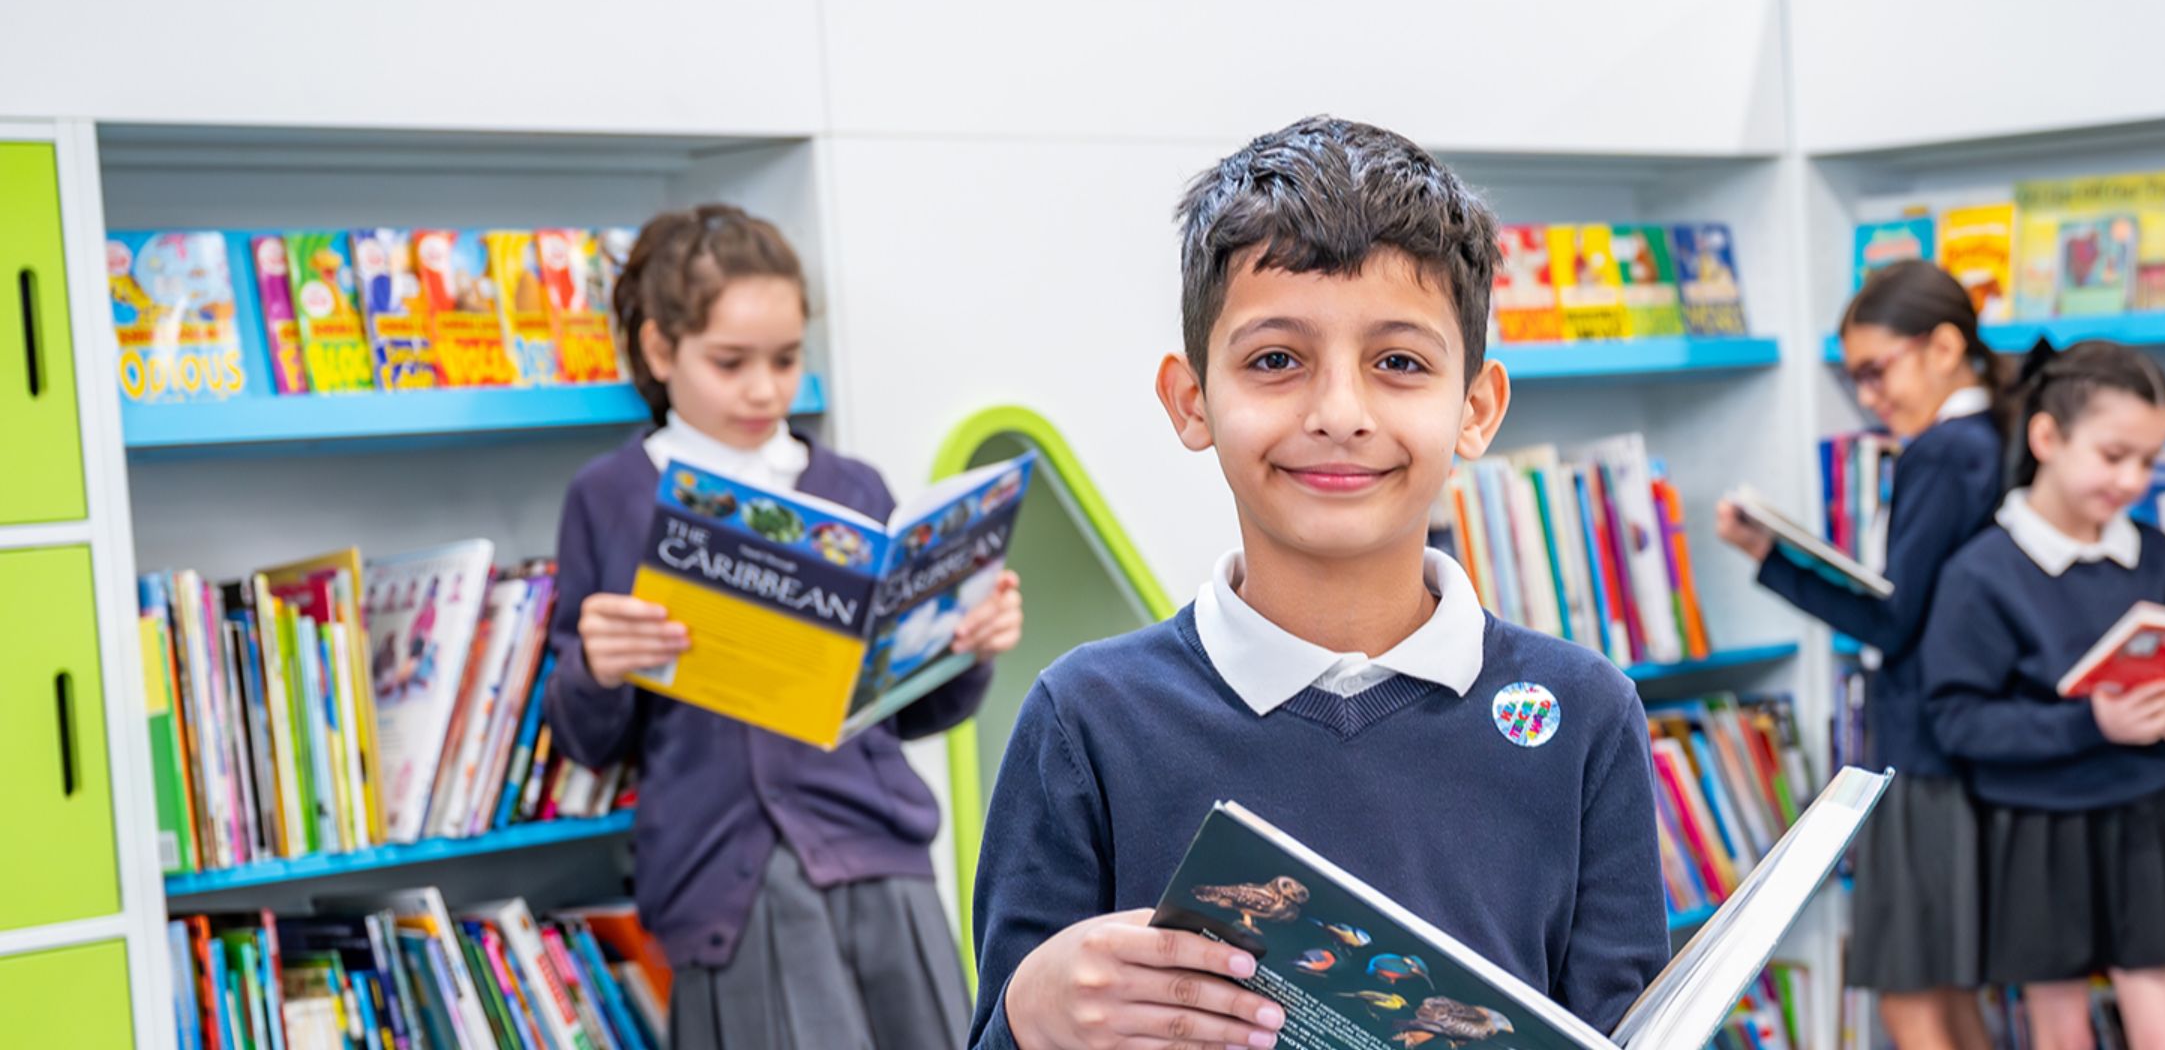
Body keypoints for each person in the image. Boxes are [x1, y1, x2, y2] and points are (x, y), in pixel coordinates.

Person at [965, 116, 1670, 1050]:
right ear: (1191, 400)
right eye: (1275, 361)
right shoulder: (1085, 720)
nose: (1340, 413)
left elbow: (1622, 1025)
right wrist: (1030, 1014)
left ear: (1477, 407)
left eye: (1400, 364)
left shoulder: (1583, 713)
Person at [543, 202, 1026, 1050]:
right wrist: (598, 665)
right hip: (724, 880)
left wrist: (962, 648)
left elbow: (906, 714)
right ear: (661, 351)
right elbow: (586, 739)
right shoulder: (609, 497)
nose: (766, 389)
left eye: (787, 360)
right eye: (731, 363)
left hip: (881, 860)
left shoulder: (850, 486)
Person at [1712, 260, 2014, 1050]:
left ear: (1945, 347)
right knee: (1951, 993)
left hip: (1919, 750)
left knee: (1911, 998)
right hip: (1968, 751)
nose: (1871, 398)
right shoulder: (1996, 438)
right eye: (1856, 382)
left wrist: (1767, 555)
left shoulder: (1943, 452)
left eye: (1877, 372)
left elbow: (1895, 620)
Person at [1920, 340, 2165, 1050]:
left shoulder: (2158, 556)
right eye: (2114, 454)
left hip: (2149, 816)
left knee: (2164, 1021)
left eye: (2149, 462)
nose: (2133, 479)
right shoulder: (1982, 573)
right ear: (2047, 438)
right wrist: (2092, 723)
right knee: (2058, 1028)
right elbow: (1959, 721)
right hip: (2039, 827)